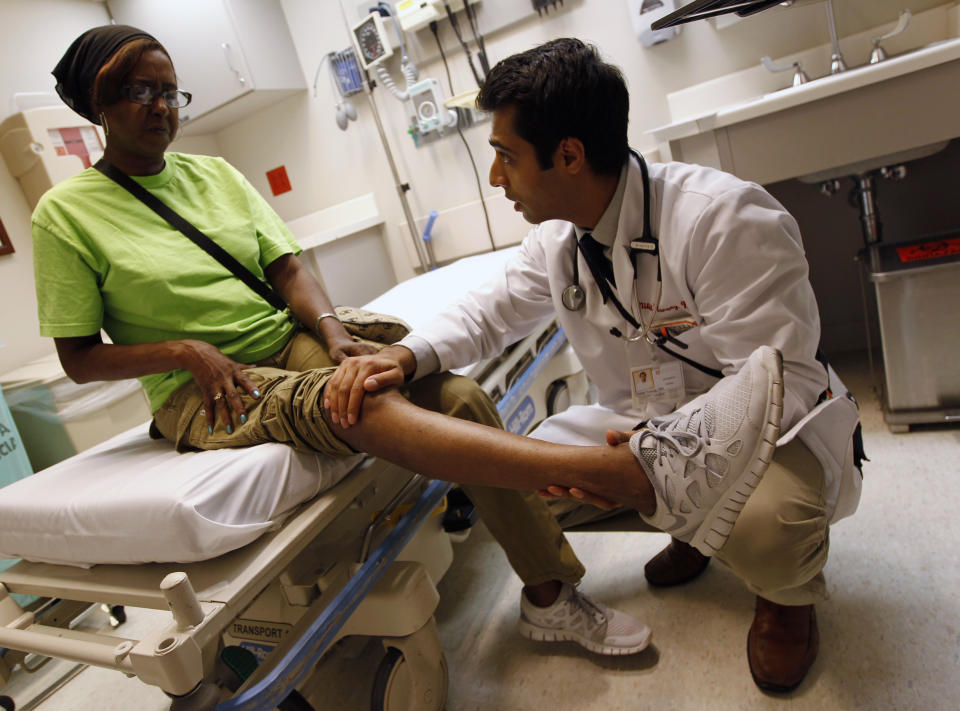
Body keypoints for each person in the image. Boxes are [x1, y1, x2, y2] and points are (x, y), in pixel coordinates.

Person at [32, 25, 654, 662]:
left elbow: (288, 269)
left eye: (171, 92)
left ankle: (550, 600)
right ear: (97, 102)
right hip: (204, 389)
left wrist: (333, 335)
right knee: (360, 405)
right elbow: (78, 359)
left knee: (460, 395)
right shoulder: (65, 214)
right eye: (141, 91)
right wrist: (181, 352)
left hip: (287, 340)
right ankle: (590, 472)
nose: (163, 106)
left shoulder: (214, 175)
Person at [324, 38, 862, 692]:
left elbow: (779, 384)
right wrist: (403, 356)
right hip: (635, 424)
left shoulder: (721, 218)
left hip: (773, 433)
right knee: (508, 479)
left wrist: (651, 458)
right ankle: (691, 531)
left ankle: (786, 597)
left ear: (570, 156)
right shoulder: (556, 241)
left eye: (506, 157)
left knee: (767, 519)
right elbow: (487, 314)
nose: (497, 179)